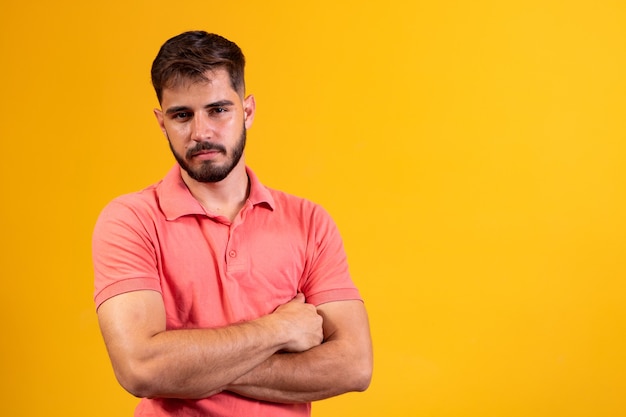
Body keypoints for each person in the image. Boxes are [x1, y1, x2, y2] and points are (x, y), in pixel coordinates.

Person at [92, 30, 373, 416]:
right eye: (181, 115)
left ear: (248, 111)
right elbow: (141, 369)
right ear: (161, 122)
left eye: (218, 109)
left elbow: (353, 365)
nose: (201, 132)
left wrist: (191, 367)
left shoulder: (309, 221)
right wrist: (279, 330)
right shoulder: (131, 220)